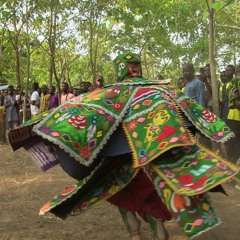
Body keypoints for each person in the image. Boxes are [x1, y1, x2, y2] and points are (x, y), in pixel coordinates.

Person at [8, 52, 239, 240]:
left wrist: (32, 128)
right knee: (146, 209)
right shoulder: (154, 90)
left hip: (130, 166)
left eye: (135, 65)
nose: (134, 68)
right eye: (132, 65)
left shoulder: (115, 93)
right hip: (141, 164)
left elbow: (72, 113)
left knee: (130, 206)